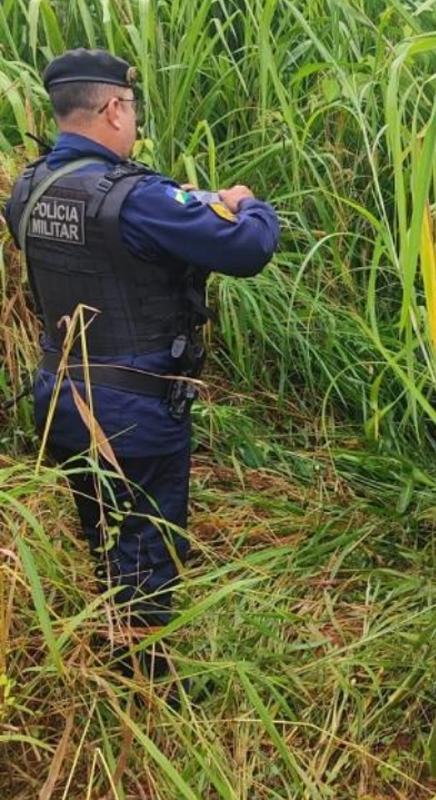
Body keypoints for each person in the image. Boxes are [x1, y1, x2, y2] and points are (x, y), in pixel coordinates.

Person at [1, 48, 280, 697]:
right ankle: (145, 687)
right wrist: (245, 202)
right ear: (112, 108)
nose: (132, 122)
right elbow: (248, 248)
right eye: (130, 109)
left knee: (101, 528)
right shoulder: (140, 198)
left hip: (60, 395)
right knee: (148, 543)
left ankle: (106, 646)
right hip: (134, 409)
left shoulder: (28, 188)